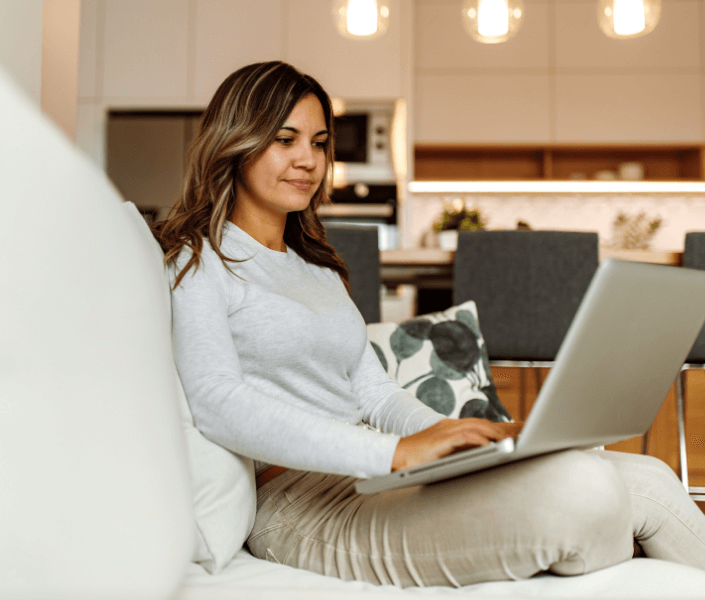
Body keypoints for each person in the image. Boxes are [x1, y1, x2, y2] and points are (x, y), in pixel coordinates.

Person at [152, 60, 705, 588]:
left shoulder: (315, 268)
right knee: (586, 490)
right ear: (236, 140)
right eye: (285, 139)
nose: (308, 160)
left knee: (649, 478)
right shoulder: (198, 261)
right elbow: (217, 401)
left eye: (319, 144)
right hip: (302, 503)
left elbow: (372, 392)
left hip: (381, 477)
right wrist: (391, 454)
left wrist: (452, 438)